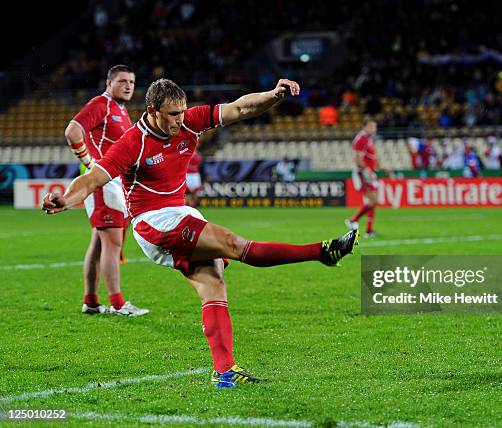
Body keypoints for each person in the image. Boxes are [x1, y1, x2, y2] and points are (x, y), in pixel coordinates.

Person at [43, 78, 358, 389]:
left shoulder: (190, 122)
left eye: (181, 112)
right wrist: (64, 198)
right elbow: (92, 179)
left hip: (180, 214)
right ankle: (322, 252)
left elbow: (241, 108)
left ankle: (224, 372)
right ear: (152, 110)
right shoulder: (132, 142)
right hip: (153, 221)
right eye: (172, 114)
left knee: (214, 284)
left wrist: (274, 96)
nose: (179, 120)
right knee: (234, 245)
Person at [64, 64, 149, 317]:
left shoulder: (121, 110)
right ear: (108, 82)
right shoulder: (101, 104)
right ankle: (118, 304)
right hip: (102, 182)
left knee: (100, 244)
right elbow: (73, 131)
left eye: (132, 82)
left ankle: (91, 301)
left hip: (112, 182)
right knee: (111, 243)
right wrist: (90, 163)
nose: (128, 86)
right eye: (122, 81)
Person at [344, 120, 392, 238]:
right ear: (364, 127)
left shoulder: (368, 139)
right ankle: (352, 220)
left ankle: (369, 231)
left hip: (370, 173)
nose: (373, 129)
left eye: (375, 127)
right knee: (373, 201)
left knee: (372, 203)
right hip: (363, 174)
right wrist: (367, 170)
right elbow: (357, 158)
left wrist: (382, 167)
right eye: (371, 127)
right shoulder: (361, 139)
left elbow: (372, 157)